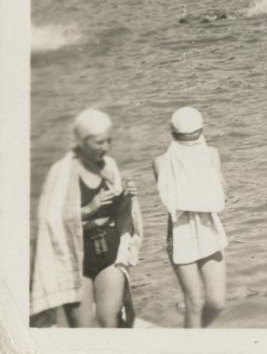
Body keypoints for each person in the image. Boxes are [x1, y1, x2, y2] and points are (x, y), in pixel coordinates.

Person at [32, 109, 143, 328]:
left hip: (108, 249)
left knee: (109, 321)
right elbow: (50, 221)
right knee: (82, 329)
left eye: (108, 141)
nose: (106, 148)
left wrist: (127, 198)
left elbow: (116, 213)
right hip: (76, 255)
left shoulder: (109, 165)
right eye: (99, 142)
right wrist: (89, 208)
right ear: (81, 141)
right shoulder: (62, 172)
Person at [153, 107, 228, 329]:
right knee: (194, 302)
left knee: (216, 302)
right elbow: (176, 200)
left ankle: (192, 336)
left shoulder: (212, 153)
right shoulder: (161, 162)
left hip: (209, 229)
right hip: (179, 233)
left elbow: (219, 195)